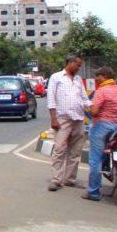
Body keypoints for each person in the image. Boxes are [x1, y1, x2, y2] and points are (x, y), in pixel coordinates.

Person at [82, 66, 117, 201]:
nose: (96, 79)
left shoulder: (101, 91)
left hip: (102, 126)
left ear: (104, 76)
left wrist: (88, 108)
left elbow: (95, 112)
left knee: (95, 160)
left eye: (98, 76)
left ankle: (93, 192)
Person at [47, 53, 87, 191]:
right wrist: (53, 118)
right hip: (63, 119)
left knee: (75, 151)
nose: (79, 68)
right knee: (59, 149)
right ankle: (56, 179)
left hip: (78, 118)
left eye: (80, 66)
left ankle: (70, 179)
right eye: (77, 65)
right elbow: (51, 99)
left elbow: (84, 98)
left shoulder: (78, 80)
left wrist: (95, 106)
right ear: (70, 63)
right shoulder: (56, 77)